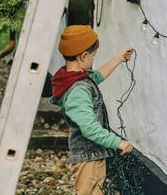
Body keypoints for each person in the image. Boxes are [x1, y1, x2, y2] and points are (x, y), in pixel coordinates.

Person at [51, 25, 133, 195]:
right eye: (93, 56)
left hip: (93, 154)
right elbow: (89, 129)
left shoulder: (75, 77)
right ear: (83, 56)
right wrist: (118, 142)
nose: (94, 60)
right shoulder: (78, 90)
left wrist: (118, 59)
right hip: (89, 157)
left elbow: (98, 75)